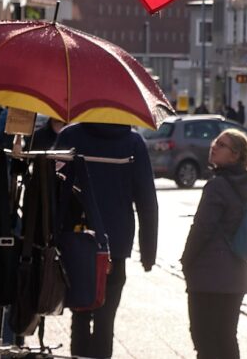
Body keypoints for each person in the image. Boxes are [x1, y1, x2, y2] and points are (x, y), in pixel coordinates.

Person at [55, 122, 159, 358]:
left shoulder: (70, 136)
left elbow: (52, 186)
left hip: (75, 238)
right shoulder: (133, 143)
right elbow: (146, 200)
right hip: (115, 243)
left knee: (79, 314)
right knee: (106, 319)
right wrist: (148, 251)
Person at [181, 128, 247, 359]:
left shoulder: (217, 186)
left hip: (208, 276)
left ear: (235, 155)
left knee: (204, 339)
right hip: (235, 276)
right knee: (226, 338)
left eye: (222, 145)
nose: (214, 146)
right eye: (215, 142)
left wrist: (186, 260)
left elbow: (202, 228)